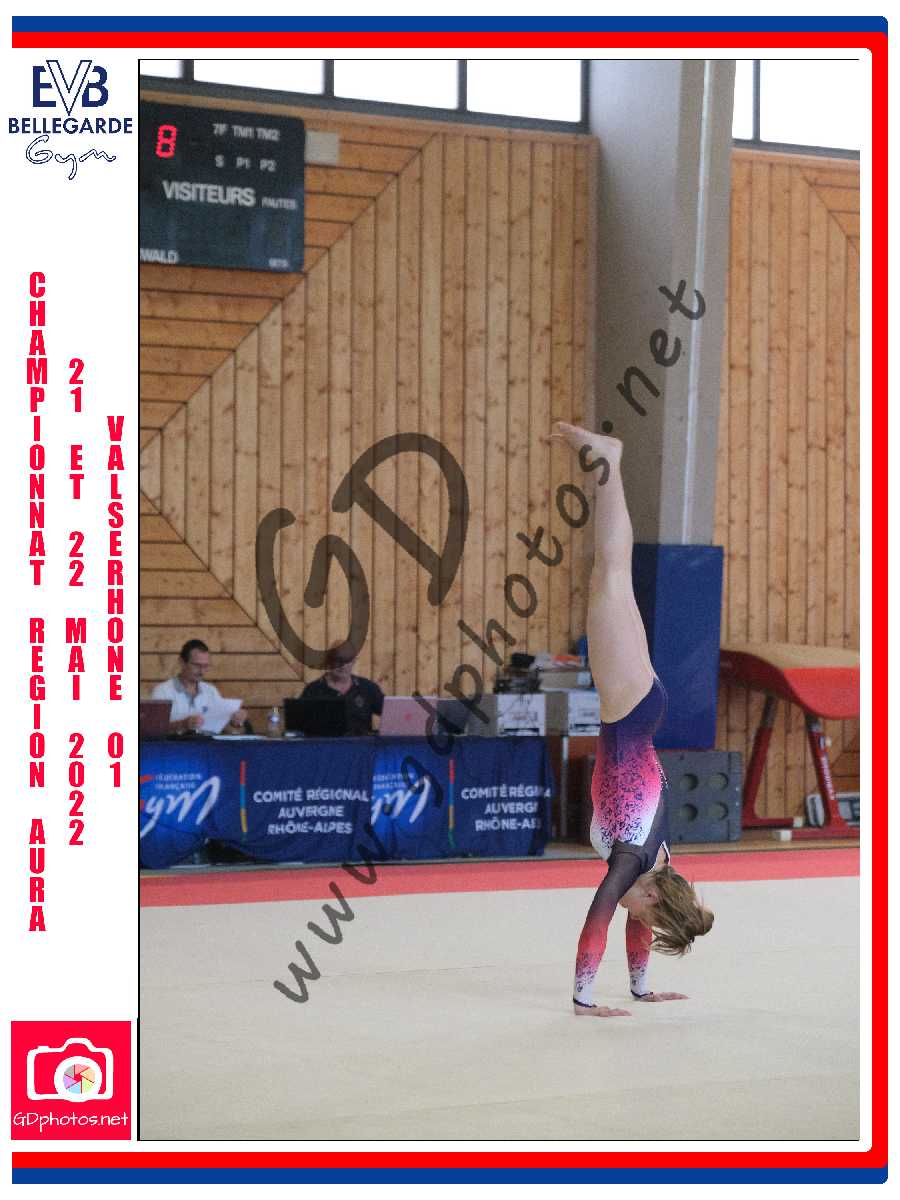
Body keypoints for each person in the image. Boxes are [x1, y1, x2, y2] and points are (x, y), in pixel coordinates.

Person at [552, 421, 714, 1017]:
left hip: (638, 709)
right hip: (628, 709)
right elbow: (600, 915)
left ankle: (608, 462)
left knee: (610, 575)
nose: (637, 919)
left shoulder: (657, 863)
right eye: (646, 914)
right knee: (611, 573)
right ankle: (609, 461)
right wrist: (584, 999)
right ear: (651, 895)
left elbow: (634, 919)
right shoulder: (631, 860)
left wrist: (643, 988)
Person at [150, 639, 248, 734]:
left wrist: (235, 723)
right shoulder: (162, 691)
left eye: (205, 666)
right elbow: (153, 729)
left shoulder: (211, 691)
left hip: (206, 745)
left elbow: (230, 731)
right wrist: (183, 724)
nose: (202, 671)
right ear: (182, 662)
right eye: (197, 665)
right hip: (174, 745)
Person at [300, 641, 384, 736]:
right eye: (338, 660)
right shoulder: (313, 690)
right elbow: (299, 728)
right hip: (324, 744)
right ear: (329, 660)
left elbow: (390, 715)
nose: (343, 666)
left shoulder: (368, 688)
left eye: (347, 660)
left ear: (354, 661)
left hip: (362, 745)